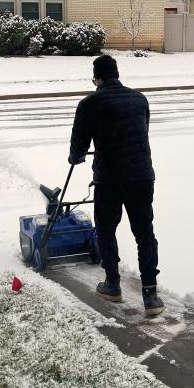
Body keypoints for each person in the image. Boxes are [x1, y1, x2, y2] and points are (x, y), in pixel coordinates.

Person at [68, 54, 164, 316]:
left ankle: (112, 284)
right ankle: (151, 294)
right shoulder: (139, 99)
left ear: (97, 78)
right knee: (144, 233)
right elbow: (141, 130)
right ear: (117, 74)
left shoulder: (90, 103)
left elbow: (79, 142)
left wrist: (75, 156)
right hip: (142, 176)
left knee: (107, 230)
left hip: (110, 178)